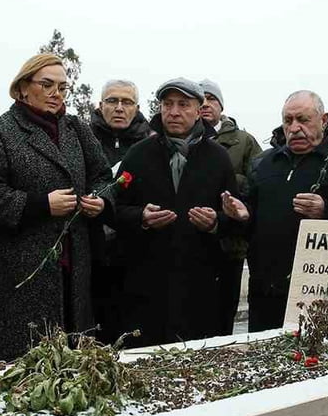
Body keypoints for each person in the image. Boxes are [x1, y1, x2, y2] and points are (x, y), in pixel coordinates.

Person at [0, 54, 114, 361]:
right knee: (25, 362)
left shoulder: (77, 130)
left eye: (62, 86)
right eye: (46, 84)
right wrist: (41, 205)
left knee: (72, 361)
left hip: (73, 266)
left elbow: (102, 175)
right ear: (22, 87)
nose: (56, 93)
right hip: (20, 272)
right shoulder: (0, 134)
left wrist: (99, 199)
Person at [221, 91, 328, 331]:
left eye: (303, 119)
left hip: (325, 295)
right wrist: (243, 214)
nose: (294, 128)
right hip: (266, 293)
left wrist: (327, 211)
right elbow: (251, 222)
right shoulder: (265, 163)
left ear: (324, 119)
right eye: (288, 121)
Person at [115, 79, 237, 347]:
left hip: (199, 290)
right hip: (146, 287)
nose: (174, 111)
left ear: (198, 110)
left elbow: (234, 217)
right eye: (167, 104)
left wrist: (216, 222)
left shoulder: (218, 158)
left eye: (183, 104)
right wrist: (141, 218)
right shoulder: (138, 154)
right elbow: (116, 209)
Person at [88, 79, 152, 341]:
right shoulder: (82, 139)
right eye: (112, 101)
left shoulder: (151, 144)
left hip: (136, 254)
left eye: (126, 102)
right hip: (92, 255)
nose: (119, 108)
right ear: (100, 105)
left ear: (136, 107)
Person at [198, 79, 260, 334]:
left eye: (211, 99)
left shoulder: (243, 141)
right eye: (199, 100)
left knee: (224, 313)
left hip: (229, 245)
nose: (205, 105)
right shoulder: (180, 140)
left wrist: (226, 181)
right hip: (194, 242)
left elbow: (258, 183)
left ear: (221, 106)